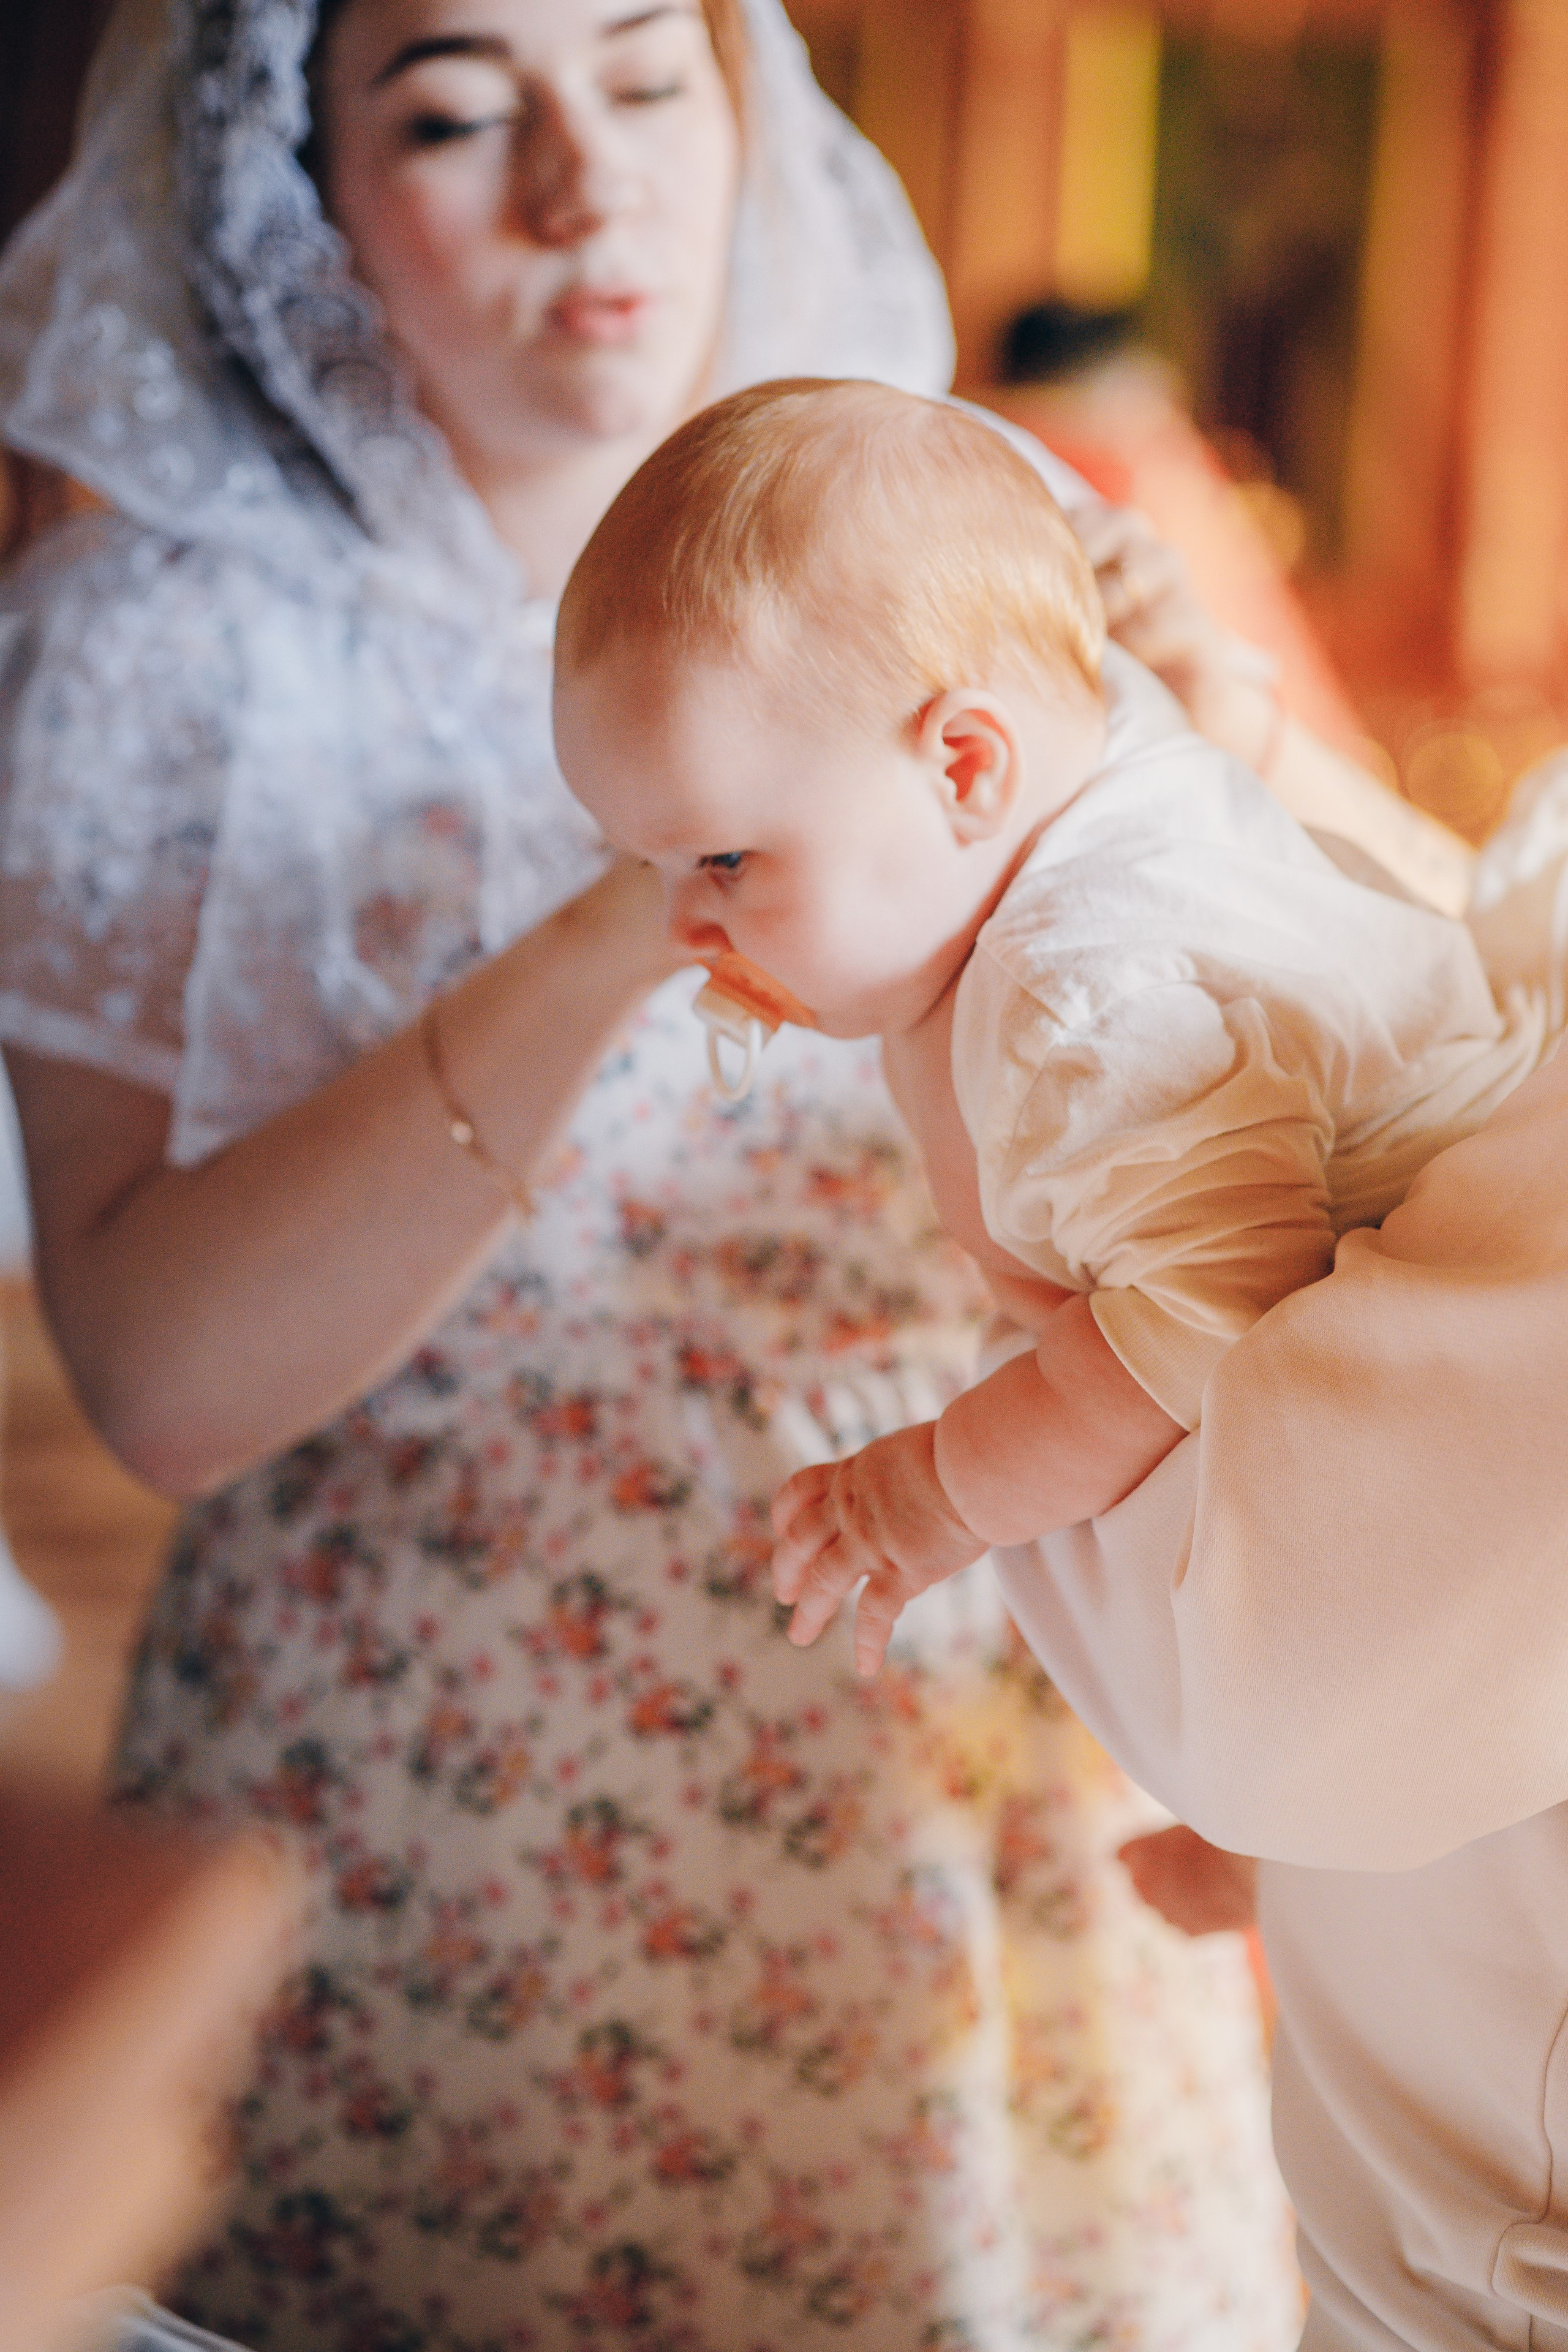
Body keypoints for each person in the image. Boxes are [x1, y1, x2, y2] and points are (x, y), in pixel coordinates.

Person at [0, 2, 1300, 2348]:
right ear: (295, 183)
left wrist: (1233, 779)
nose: (587, 191)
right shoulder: (151, 653)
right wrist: (650, 891)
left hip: (989, 1738)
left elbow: (1332, 1082)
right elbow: (162, 1390)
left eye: (641, 72)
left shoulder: (980, 523)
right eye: (457, 110)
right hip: (445, 1800)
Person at [552, 380, 1559, 1687]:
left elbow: (1208, 1316)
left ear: (966, 767)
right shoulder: (1066, 746)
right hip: (1413, 1290)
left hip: (1477, 1368)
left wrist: (937, 1488)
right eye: (652, 865)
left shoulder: (1078, 998)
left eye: (725, 859)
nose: (685, 924)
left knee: (1386, 1631)